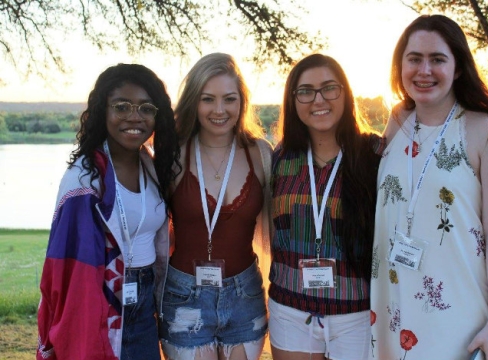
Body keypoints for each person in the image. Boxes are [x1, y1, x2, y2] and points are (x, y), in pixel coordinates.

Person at [370, 14, 488, 360]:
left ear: (458, 68)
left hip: (459, 314)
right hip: (392, 308)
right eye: (414, 59)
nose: (424, 70)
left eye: (438, 59)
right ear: (400, 67)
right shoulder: (398, 120)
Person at [36, 63, 180, 360]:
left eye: (146, 108)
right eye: (122, 106)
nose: (134, 117)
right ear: (104, 110)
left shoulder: (152, 167)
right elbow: (66, 268)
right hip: (96, 301)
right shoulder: (84, 178)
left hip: (144, 308)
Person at [158, 53, 273, 360]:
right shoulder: (172, 155)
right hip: (184, 296)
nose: (219, 110)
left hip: (245, 294)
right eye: (208, 99)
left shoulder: (260, 154)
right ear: (194, 102)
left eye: (229, 99)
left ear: (242, 102)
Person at [269, 53, 382, 360]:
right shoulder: (280, 158)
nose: (318, 99)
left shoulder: (374, 155)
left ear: (345, 94)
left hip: (355, 312)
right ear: (293, 101)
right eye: (305, 91)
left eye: (329, 88)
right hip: (290, 310)